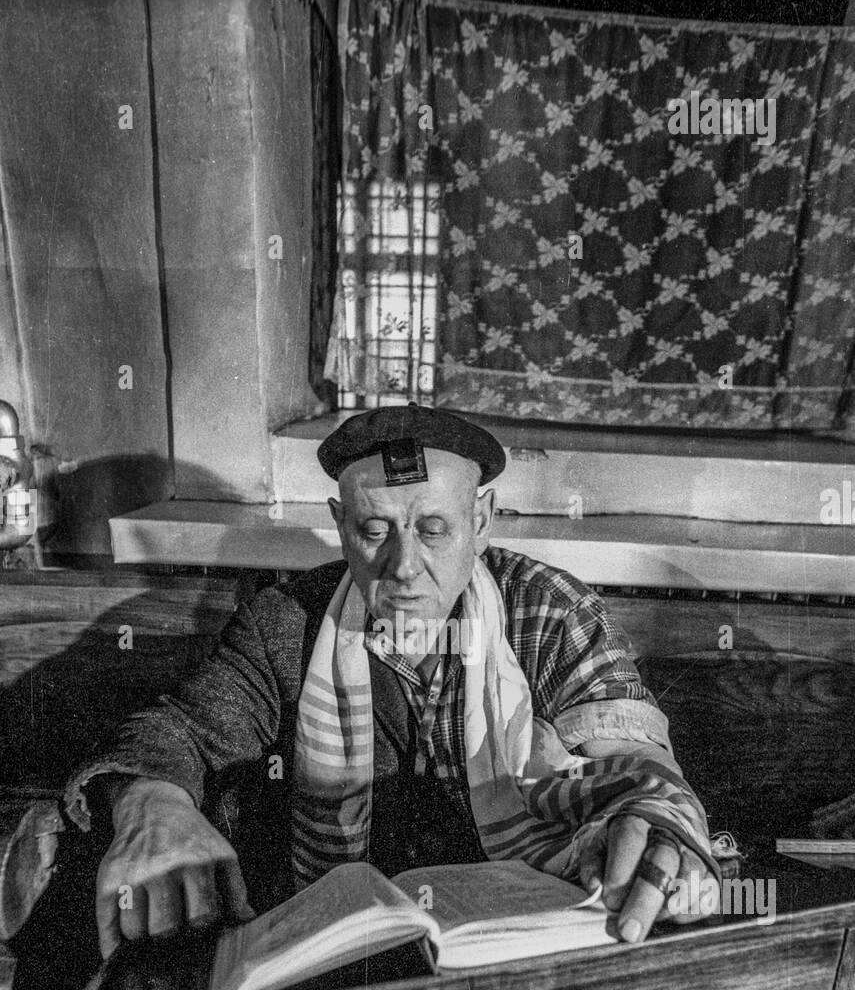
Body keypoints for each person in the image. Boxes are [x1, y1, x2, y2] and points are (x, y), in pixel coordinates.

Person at [64, 403, 720, 958]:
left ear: (482, 519)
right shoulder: (286, 623)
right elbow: (177, 732)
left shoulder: (546, 611)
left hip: (517, 955)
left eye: (433, 529)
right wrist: (151, 801)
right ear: (339, 522)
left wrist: (659, 824)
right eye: (374, 530)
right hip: (344, 961)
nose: (404, 566)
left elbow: (636, 757)